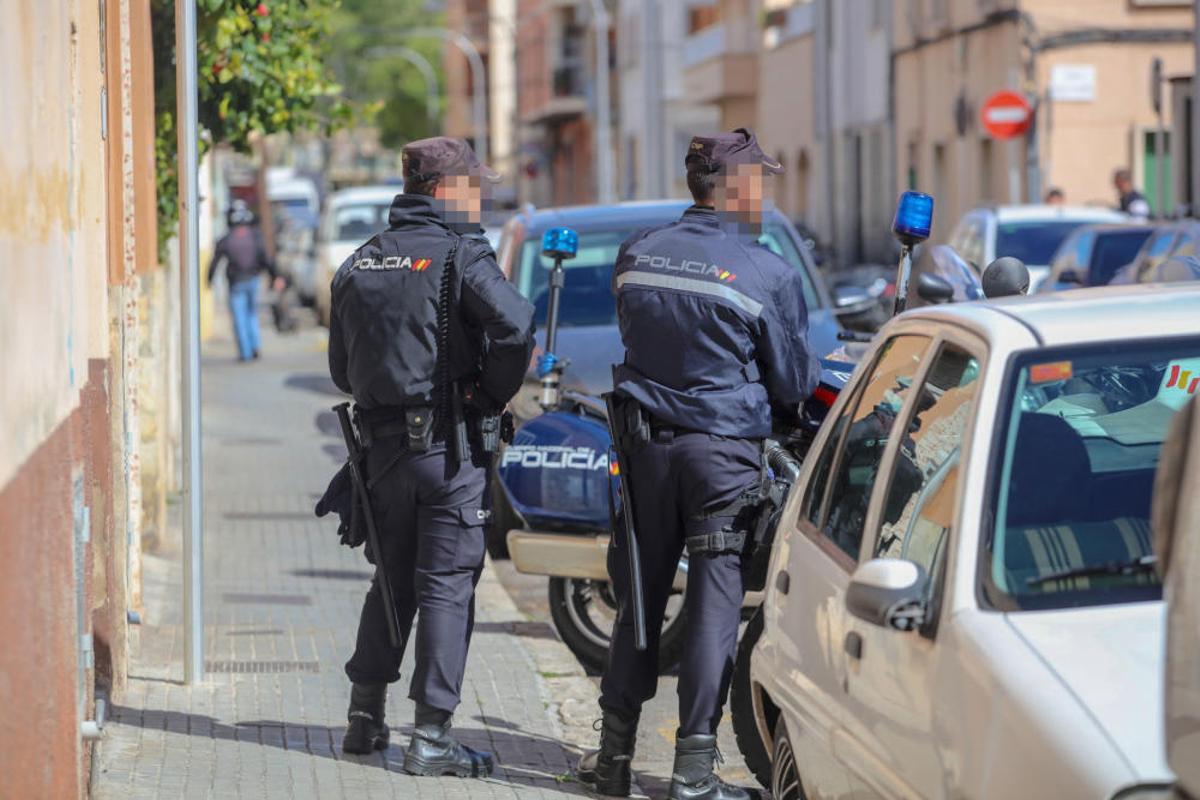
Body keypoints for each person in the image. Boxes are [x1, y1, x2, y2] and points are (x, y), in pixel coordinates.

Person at [577, 128, 818, 800]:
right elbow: (794, 383)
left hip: (644, 453)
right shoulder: (766, 271)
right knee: (715, 602)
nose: (764, 197)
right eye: (759, 184)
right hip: (720, 459)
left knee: (639, 599)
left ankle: (613, 759)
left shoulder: (637, 252)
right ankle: (691, 774)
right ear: (735, 188)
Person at [327, 137, 535, 776]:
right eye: (474, 187)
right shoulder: (460, 254)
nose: (481, 199)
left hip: (380, 454)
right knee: (446, 585)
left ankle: (364, 717)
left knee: (391, 580)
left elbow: (341, 372)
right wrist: (487, 395)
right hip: (448, 450)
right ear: (445, 190)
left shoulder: (361, 260)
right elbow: (516, 325)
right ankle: (432, 736)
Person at [207, 199, 282, 362]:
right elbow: (266, 258)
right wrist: (275, 276)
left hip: (236, 283)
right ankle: (255, 346)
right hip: (253, 280)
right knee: (251, 315)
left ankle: (245, 353)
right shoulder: (255, 236)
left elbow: (215, 262)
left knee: (239, 318)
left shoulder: (226, 239)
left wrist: (209, 281)